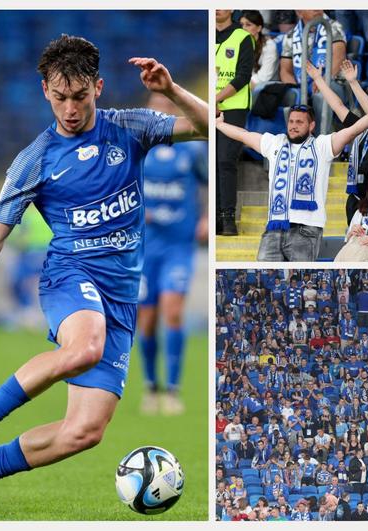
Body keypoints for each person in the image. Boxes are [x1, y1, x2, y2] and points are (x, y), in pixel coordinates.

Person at [0, 35, 207, 513]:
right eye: (60, 97)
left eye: (80, 97)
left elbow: (211, 128)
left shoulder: (130, 127)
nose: (70, 109)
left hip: (122, 295)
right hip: (70, 275)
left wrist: (171, 90)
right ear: (45, 90)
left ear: (98, 88)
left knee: (84, 432)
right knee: (84, 348)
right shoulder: (35, 159)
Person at [216, 93, 368, 261]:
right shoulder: (274, 142)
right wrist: (219, 124)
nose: (294, 126)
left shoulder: (322, 145)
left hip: (306, 229)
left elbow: (353, 130)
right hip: (274, 227)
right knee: (265, 280)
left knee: (299, 279)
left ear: (311, 125)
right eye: (291, 122)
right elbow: (243, 135)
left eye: (299, 122)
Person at [138, 93, 208, 415]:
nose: (161, 114)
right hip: (145, 248)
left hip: (179, 246)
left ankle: (174, 391)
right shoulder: (137, 151)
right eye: (156, 109)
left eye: (167, 108)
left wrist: (207, 217)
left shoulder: (192, 149)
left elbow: (210, 183)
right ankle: (152, 387)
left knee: (173, 312)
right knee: (147, 321)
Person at [306, 59, 368, 224]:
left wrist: (353, 83)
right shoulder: (362, 128)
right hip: (356, 198)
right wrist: (318, 79)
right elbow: (338, 106)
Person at [215, 10, 255, 236]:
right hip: (207, 107)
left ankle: (228, 218)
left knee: (226, 161)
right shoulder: (206, 35)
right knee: (212, 163)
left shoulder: (242, 37)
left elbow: (242, 76)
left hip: (233, 108)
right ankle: (214, 220)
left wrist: (217, 99)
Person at [279, 10, 347, 134]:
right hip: (303, 83)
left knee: (321, 97)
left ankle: (321, 142)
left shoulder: (333, 26)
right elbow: (285, 70)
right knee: (293, 96)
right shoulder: (291, 35)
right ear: (300, 12)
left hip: (333, 82)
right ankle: (297, 140)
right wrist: (298, 88)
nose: (317, 8)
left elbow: (338, 58)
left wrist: (322, 81)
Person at [239, 11, 279, 89]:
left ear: (259, 28)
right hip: (244, 85)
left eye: (248, 25)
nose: (243, 28)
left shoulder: (269, 46)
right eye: (241, 25)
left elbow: (263, 77)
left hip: (265, 88)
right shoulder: (239, 44)